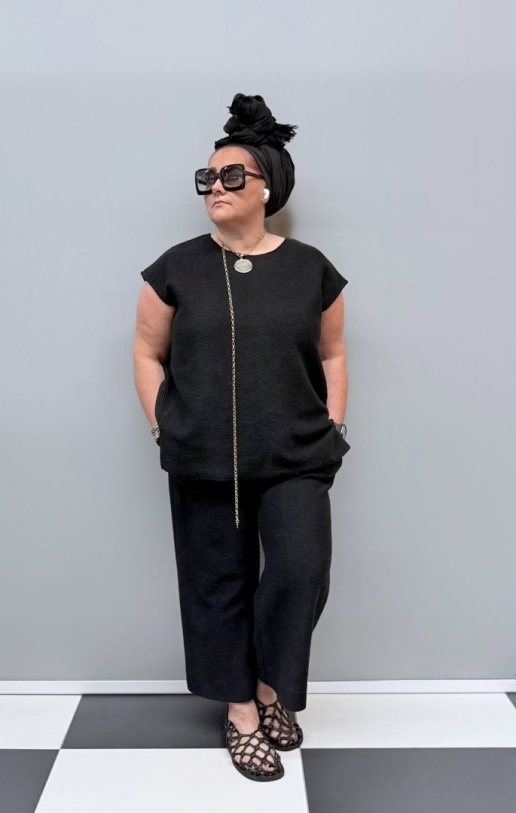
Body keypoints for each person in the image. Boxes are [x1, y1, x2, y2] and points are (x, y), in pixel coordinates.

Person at [133, 93, 351, 782]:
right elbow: (146, 351)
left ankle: (268, 686)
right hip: (202, 458)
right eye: (207, 177)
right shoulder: (174, 267)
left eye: (231, 176)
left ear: (268, 186)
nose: (215, 187)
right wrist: (162, 423)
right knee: (216, 582)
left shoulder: (312, 268)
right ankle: (241, 712)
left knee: (300, 569)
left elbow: (333, 353)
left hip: (297, 454)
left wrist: (335, 422)